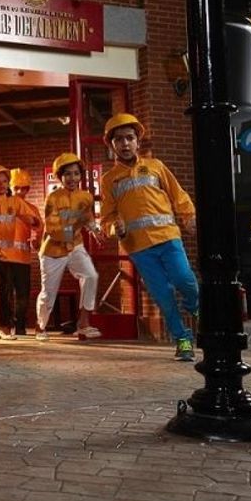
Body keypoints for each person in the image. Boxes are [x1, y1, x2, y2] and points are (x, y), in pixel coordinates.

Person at [100, 113, 199, 361]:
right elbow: (107, 218)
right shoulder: (109, 180)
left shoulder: (156, 166)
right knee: (163, 296)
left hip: (168, 238)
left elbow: (178, 194)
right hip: (139, 248)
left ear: (138, 141)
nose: (125, 144)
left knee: (185, 280)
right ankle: (182, 340)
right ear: (111, 144)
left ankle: (194, 306)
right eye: (119, 139)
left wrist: (189, 217)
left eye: (129, 138)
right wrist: (115, 228)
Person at [35, 153, 101, 341]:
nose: (73, 178)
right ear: (60, 177)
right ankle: (41, 326)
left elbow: (88, 218)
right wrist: (75, 227)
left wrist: (95, 230)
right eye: (68, 174)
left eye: (76, 173)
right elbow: (52, 228)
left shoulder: (86, 197)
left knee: (91, 276)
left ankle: (83, 323)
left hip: (76, 247)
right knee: (48, 292)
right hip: (53, 250)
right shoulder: (53, 198)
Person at [0, 165, 41, 340]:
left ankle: (0, 325)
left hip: (8, 255)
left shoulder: (15, 203)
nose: (1, 185)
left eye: (4, 181)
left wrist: (33, 222)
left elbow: (33, 220)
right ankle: (3, 327)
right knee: (3, 285)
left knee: (3, 287)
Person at [7, 168, 43, 337]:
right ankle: (2, 325)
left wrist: (36, 242)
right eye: (17, 188)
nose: (20, 192)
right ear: (11, 187)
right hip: (4, 258)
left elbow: (39, 229)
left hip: (23, 259)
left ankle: (20, 327)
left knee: (22, 295)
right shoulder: (4, 205)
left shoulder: (32, 209)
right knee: (3, 294)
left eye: (24, 188)